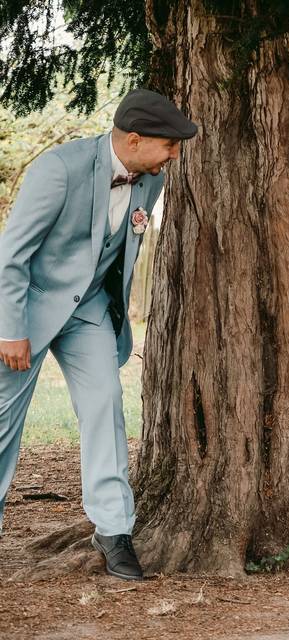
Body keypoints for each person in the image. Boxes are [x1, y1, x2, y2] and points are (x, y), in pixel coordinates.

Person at [0, 89, 197, 579]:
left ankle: (113, 531)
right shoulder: (59, 170)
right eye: (169, 145)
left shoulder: (151, 179)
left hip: (88, 310)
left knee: (106, 404)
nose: (174, 156)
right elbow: (12, 254)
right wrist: (9, 331)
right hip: (28, 310)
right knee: (2, 422)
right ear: (134, 139)